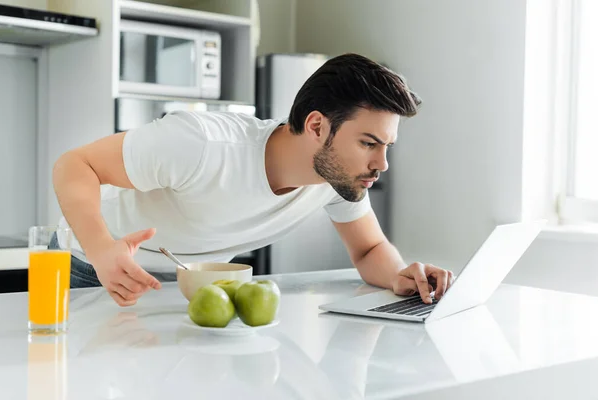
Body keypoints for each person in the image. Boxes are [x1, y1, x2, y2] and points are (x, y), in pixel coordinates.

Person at [52, 53, 454, 307]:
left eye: (387, 146)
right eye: (369, 143)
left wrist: (402, 275)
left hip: (191, 289)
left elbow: (369, 250)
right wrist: (102, 250)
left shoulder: (339, 179)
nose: (382, 163)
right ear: (316, 125)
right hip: (87, 267)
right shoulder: (204, 143)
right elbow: (75, 164)